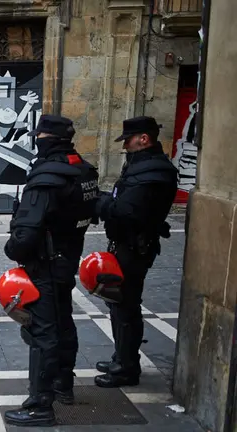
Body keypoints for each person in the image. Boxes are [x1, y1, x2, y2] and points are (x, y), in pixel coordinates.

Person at [2, 115, 100, 427]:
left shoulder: (47, 178)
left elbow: (26, 232)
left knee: (43, 333)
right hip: (67, 260)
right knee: (63, 322)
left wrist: (12, 248)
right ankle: (62, 384)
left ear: (47, 139)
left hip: (44, 264)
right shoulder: (84, 171)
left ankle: (40, 405)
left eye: (39, 136)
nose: (36, 140)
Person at [93, 116, 178, 388]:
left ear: (144, 138)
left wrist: (100, 202)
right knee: (118, 304)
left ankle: (126, 368)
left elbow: (126, 210)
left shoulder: (153, 171)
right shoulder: (141, 166)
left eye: (128, 140)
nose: (124, 145)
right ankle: (122, 357)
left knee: (126, 307)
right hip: (126, 244)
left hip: (135, 247)